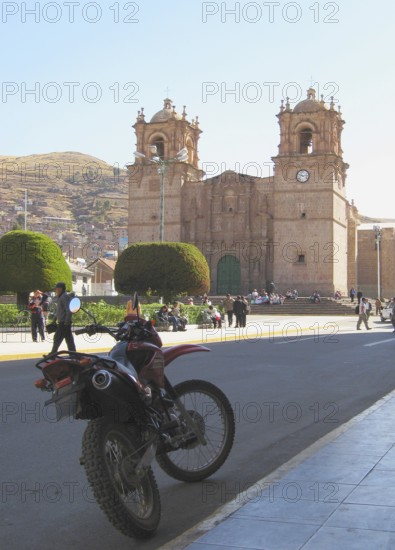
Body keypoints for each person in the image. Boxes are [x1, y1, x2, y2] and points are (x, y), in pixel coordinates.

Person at [50, 282, 76, 353]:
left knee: (57, 338)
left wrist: (67, 321)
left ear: (60, 289)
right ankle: (73, 354)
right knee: (68, 339)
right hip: (63, 322)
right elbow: (59, 311)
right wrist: (54, 319)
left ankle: (52, 354)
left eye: (56, 289)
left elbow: (68, 310)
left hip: (64, 323)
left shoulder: (64, 297)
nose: (55, 291)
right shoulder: (61, 297)